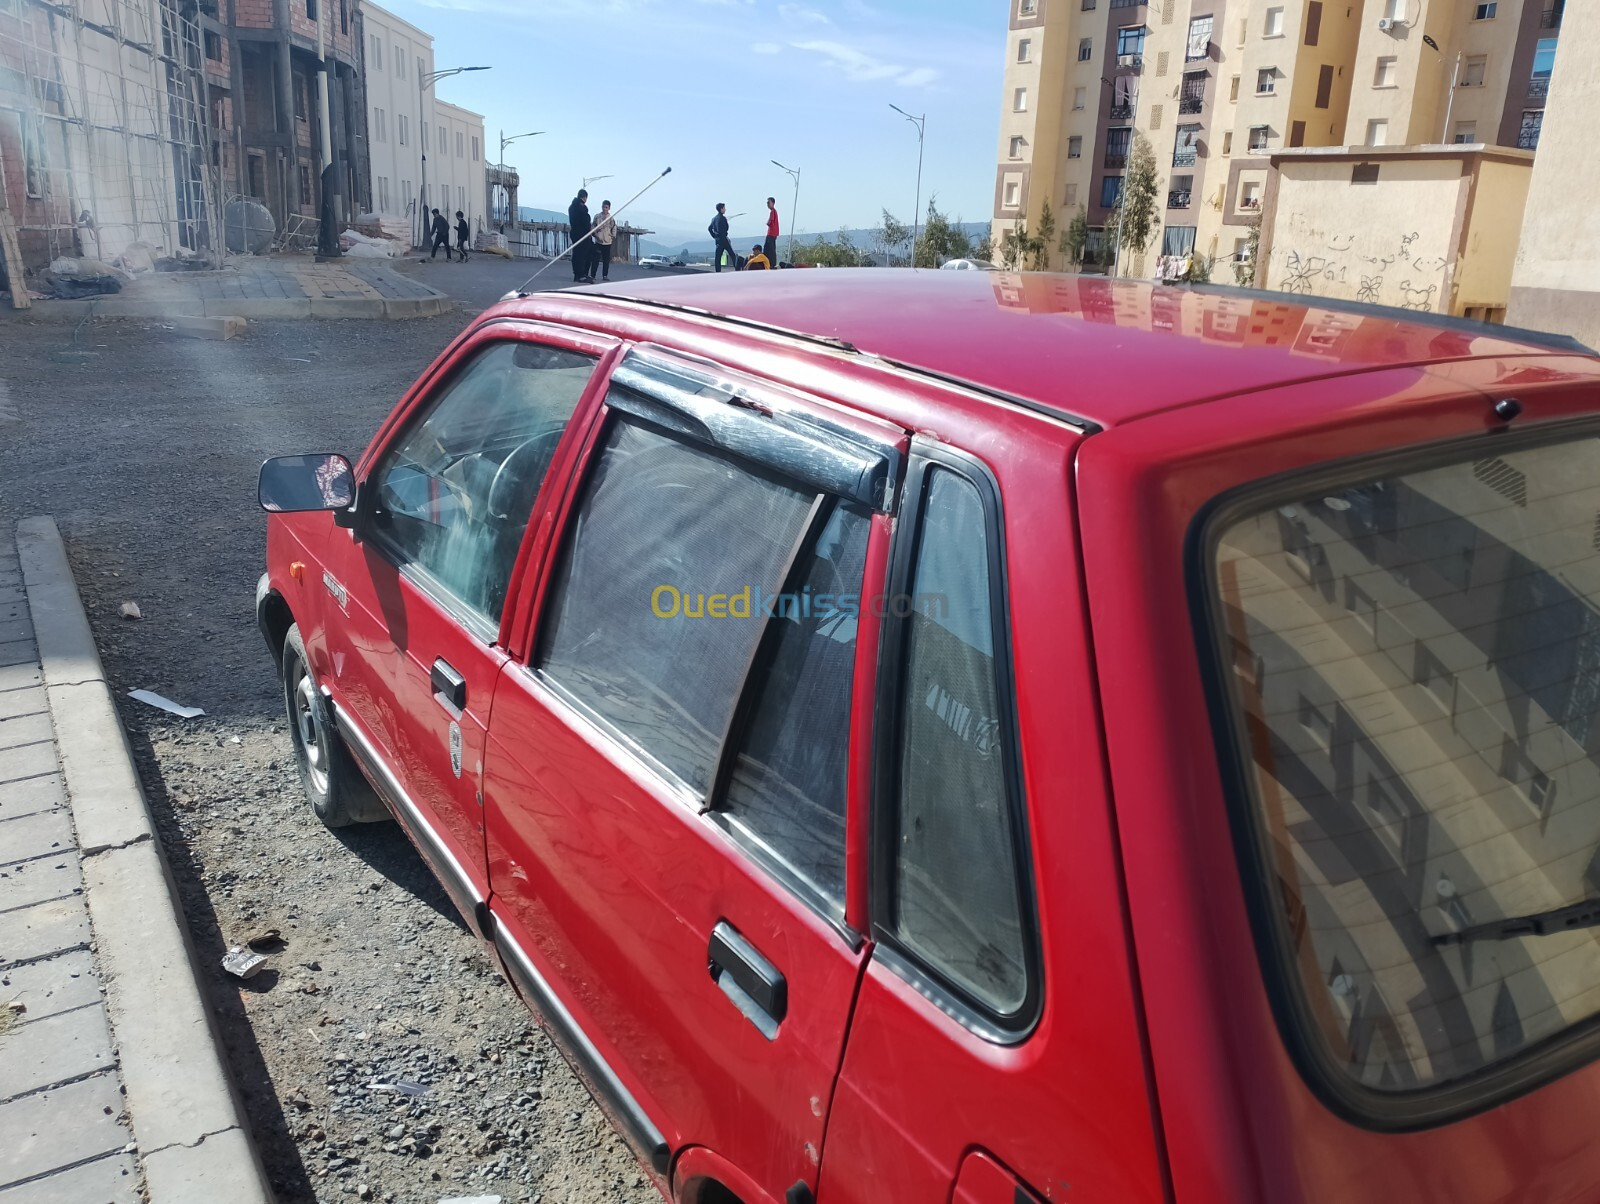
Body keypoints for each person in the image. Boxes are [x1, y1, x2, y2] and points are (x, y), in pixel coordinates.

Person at [567, 189, 592, 284]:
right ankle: (581, 274)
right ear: (584, 198)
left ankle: (578, 274)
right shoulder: (580, 208)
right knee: (582, 255)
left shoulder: (572, 207)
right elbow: (584, 221)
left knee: (578, 254)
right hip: (581, 234)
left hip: (576, 233)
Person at [591, 200, 616, 283]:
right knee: (595, 259)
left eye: (606, 207)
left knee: (606, 260)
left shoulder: (611, 218)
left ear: (609, 208)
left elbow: (614, 228)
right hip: (598, 240)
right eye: (603, 207)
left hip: (607, 241)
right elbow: (593, 225)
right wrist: (594, 233)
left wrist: (612, 236)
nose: (604, 209)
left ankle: (605, 275)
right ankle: (592, 275)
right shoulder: (597, 216)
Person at [708, 202, 737, 273]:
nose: (725, 209)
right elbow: (726, 228)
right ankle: (737, 269)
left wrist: (714, 236)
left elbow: (709, 228)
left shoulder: (714, 219)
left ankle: (718, 271)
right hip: (724, 239)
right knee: (732, 255)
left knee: (718, 257)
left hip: (718, 240)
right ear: (721, 209)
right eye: (724, 208)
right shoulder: (723, 218)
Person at [763, 196, 780, 267]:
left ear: (772, 203)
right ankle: (770, 263)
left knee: (768, 249)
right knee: (770, 249)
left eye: (768, 203)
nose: (767, 204)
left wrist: (767, 223)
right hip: (774, 233)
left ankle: (770, 264)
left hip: (771, 233)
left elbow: (770, 221)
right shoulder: (774, 212)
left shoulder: (773, 212)